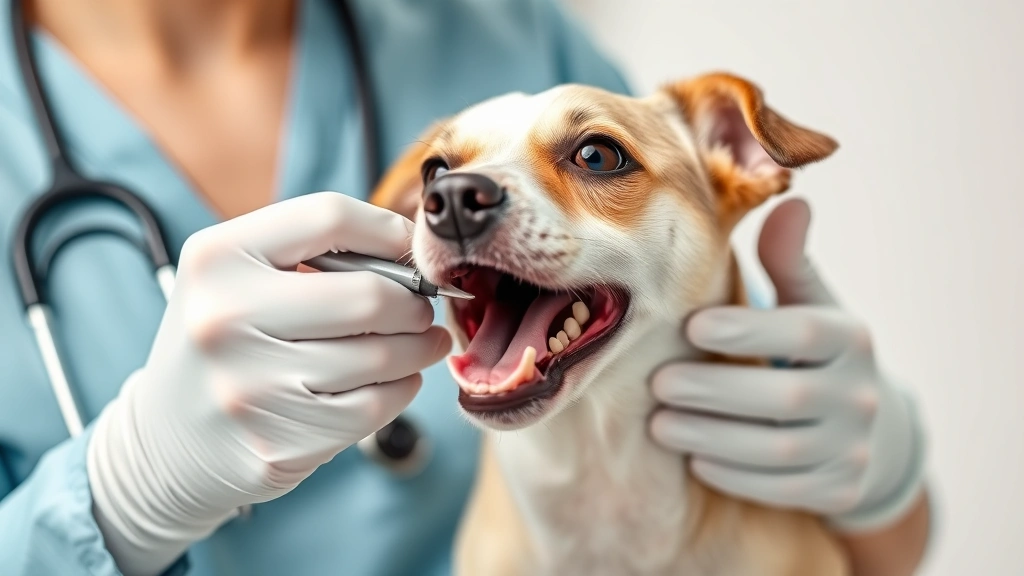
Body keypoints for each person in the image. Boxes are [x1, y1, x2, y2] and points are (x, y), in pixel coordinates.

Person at [0, 0, 930, 574]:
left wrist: (880, 478)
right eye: (443, 179)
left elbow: (866, 543)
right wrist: (113, 502)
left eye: (593, 155)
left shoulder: (505, 29)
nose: (454, 199)